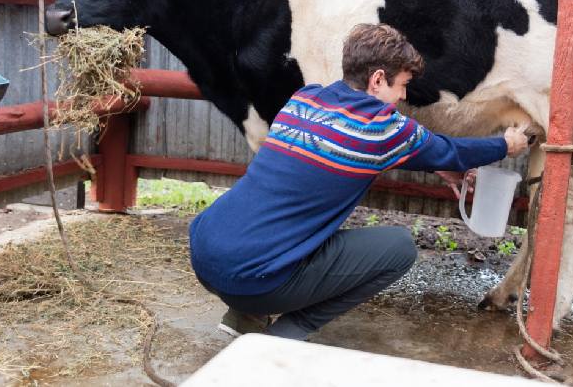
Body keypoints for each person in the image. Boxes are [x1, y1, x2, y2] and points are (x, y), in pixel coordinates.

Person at [189, 23, 529, 341]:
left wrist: (433, 163)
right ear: (378, 80)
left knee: (282, 219)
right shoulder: (383, 127)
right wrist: (506, 144)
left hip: (205, 252)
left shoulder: (304, 99)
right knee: (399, 248)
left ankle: (242, 318)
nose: (401, 97)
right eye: (402, 86)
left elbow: (367, 150)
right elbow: (450, 151)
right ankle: (287, 335)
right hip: (254, 279)